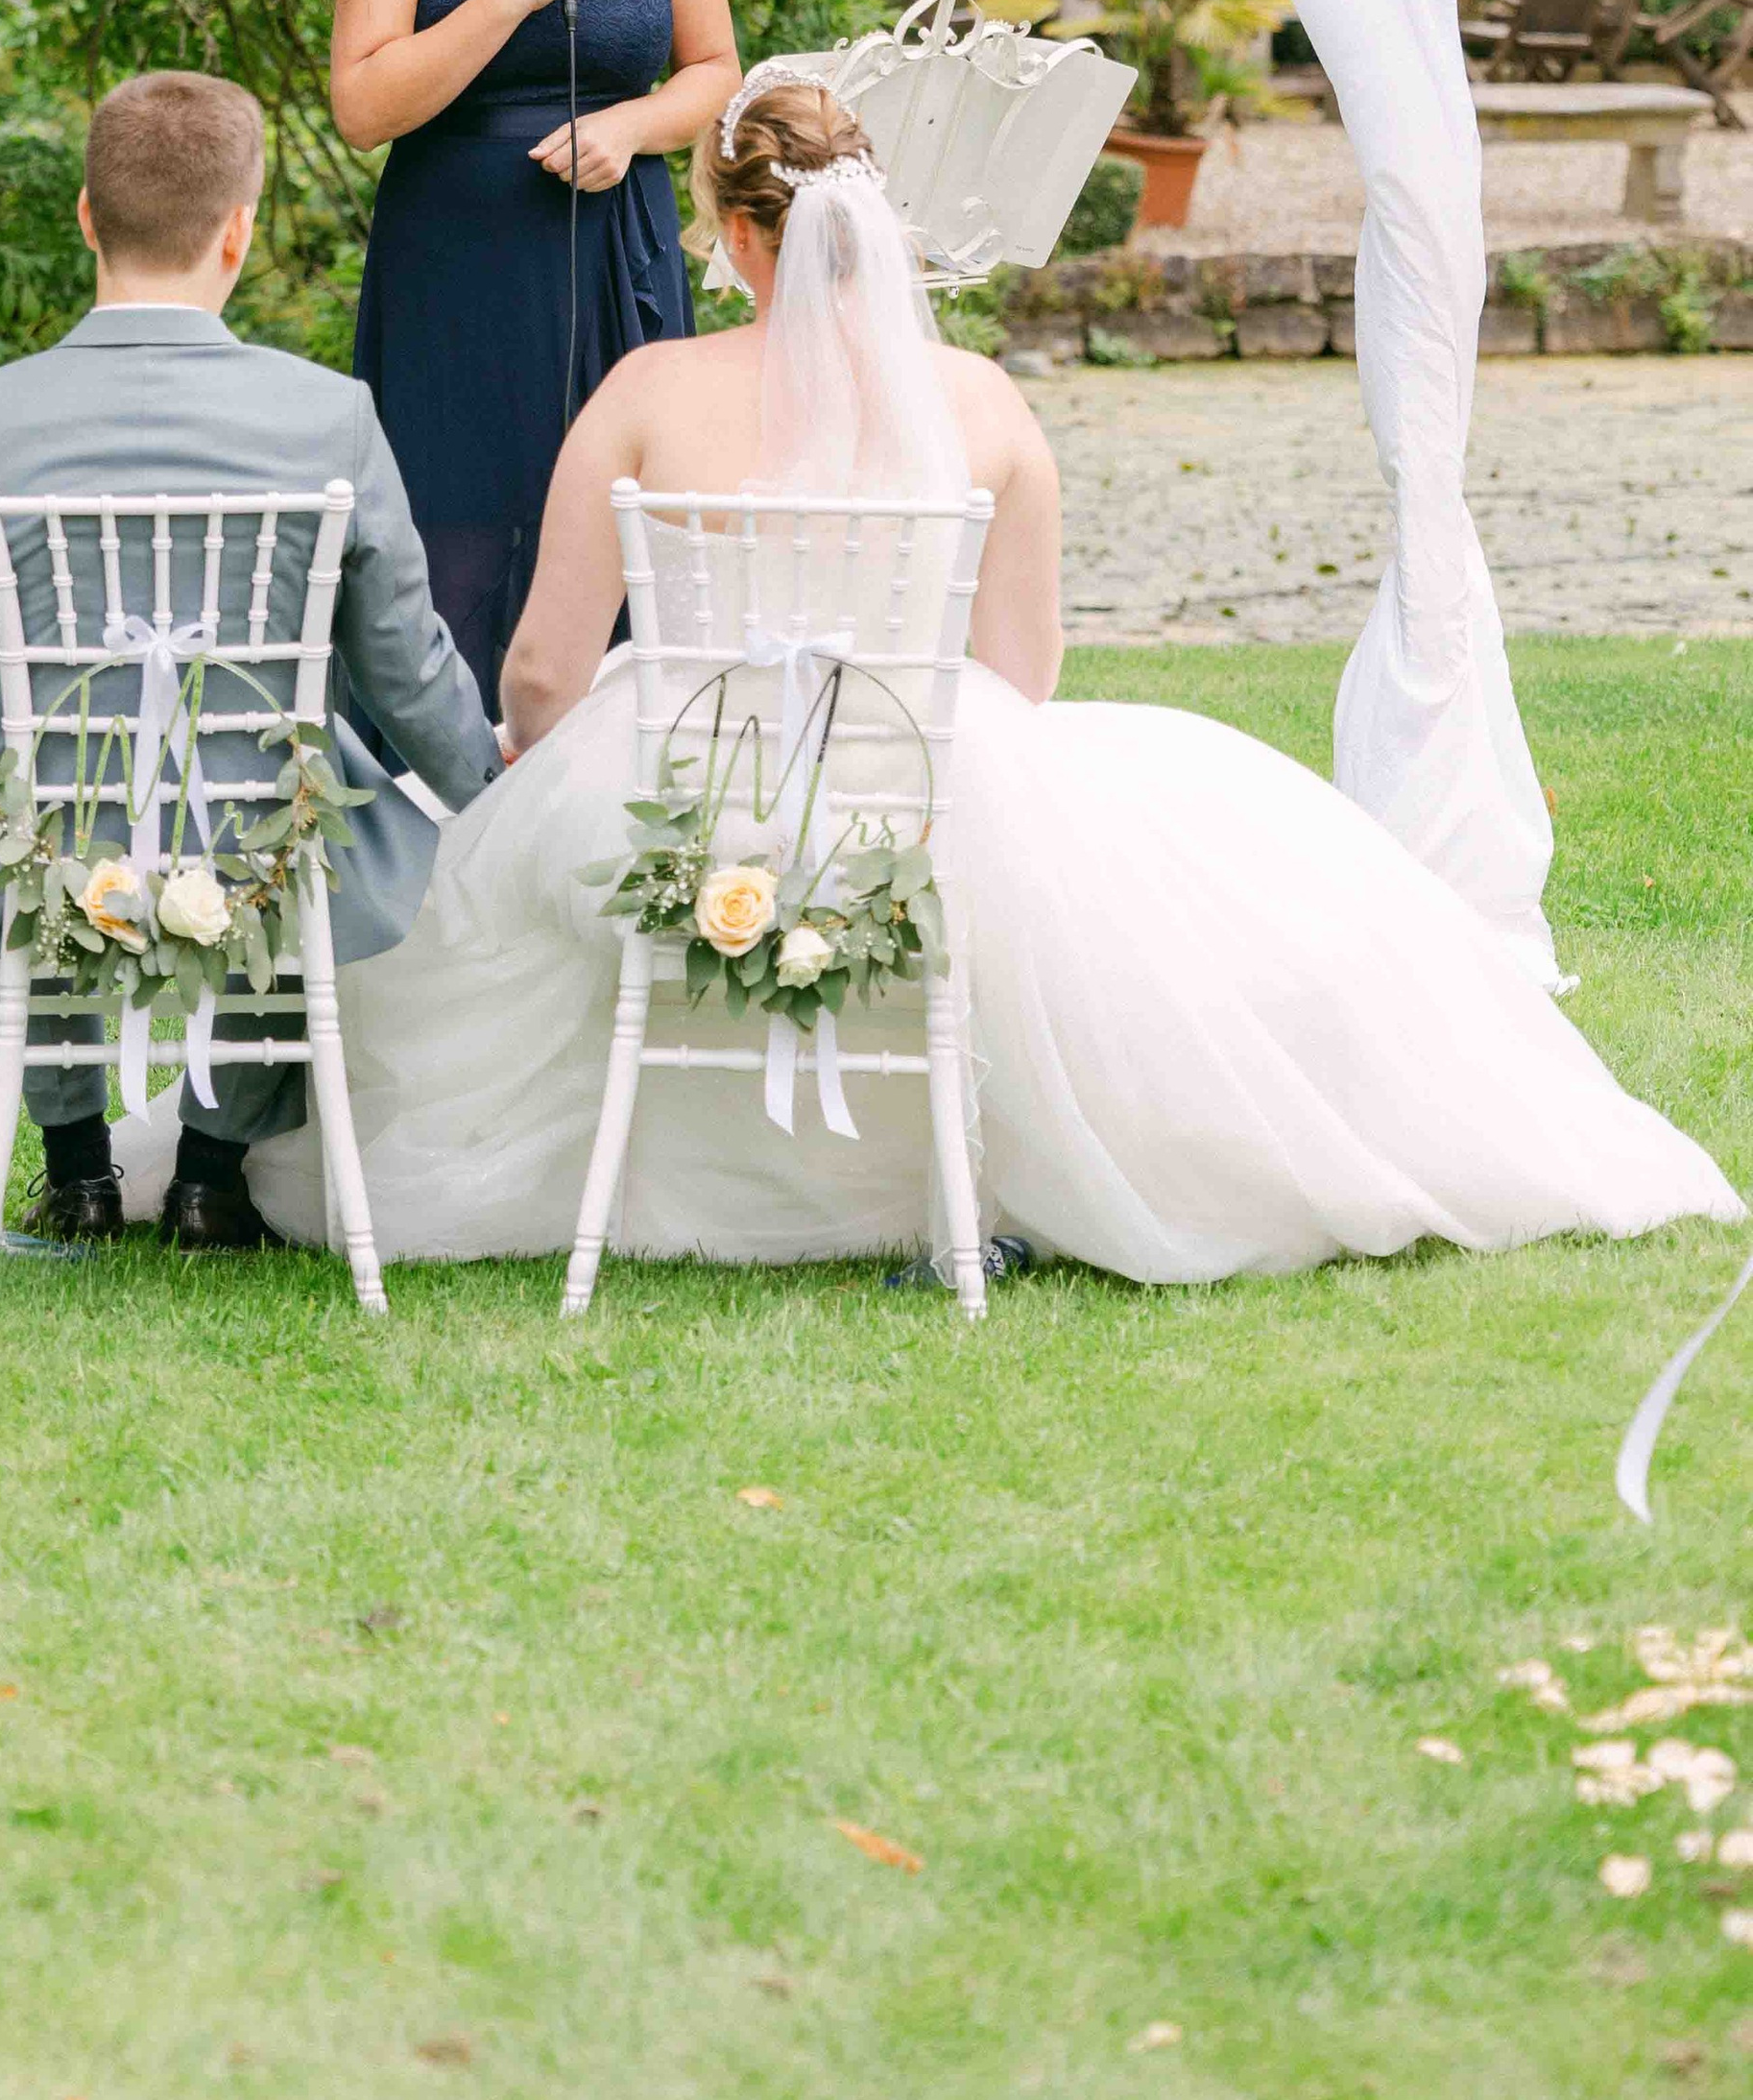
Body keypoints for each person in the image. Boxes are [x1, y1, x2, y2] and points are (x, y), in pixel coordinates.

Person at [178, 76, 1741, 1279]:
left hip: (680, 792)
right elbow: (1022, 671)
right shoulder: (981, 402)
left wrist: (539, 766)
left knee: (503, 890)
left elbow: (539, 669)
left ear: (736, 238)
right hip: (915, 793)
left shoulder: (649, 390)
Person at [0, 70, 504, 1253]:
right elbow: (400, 656)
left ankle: (78, 1172)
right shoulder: (329, 416)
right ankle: (211, 1177)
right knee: (308, 813)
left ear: (87, 217)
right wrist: (484, 784)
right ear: (239, 231)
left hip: (47, 821)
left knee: (29, 810)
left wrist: (17, 730)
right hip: (262, 834)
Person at [331, 0, 741, 705]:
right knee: (456, 533)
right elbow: (362, 108)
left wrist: (631, 127)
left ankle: (616, 774)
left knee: (626, 525)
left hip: (617, 250)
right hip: (458, 263)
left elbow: (715, 71)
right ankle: (442, 775)